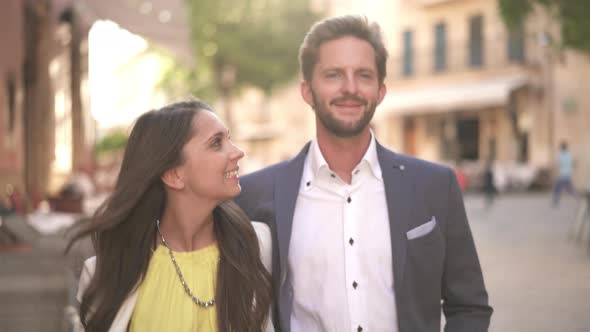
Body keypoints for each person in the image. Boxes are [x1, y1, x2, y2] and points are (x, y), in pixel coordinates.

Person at [235, 15, 492, 332]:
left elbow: (469, 306)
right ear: (307, 91)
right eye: (333, 75)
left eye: (364, 75)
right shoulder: (254, 194)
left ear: (380, 91)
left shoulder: (435, 186)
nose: (350, 88)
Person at [68, 100, 273, 332]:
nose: (238, 152)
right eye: (216, 143)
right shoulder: (108, 275)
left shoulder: (255, 244)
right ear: (174, 175)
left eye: (228, 138)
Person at [552, 141, 575, 206]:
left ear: (562, 148)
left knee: (557, 188)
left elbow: (558, 163)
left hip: (563, 175)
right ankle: (578, 197)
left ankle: (555, 201)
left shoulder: (561, 155)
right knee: (569, 189)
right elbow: (573, 163)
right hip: (568, 174)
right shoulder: (569, 155)